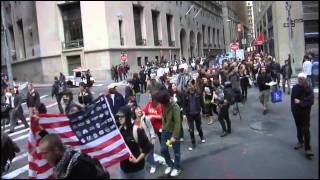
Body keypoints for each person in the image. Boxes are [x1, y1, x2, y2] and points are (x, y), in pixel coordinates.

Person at [38, 134, 109, 179]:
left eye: (45, 153)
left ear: (56, 150)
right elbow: (52, 143)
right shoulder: (62, 160)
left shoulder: (80, 165)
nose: (43, 157)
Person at [155, 89, 181, 177]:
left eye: (161, 102)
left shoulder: (175, 107)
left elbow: (178, 123)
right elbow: (163, 116)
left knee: (176, 151)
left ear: (165, 101)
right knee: (163, 149)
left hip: (173, 132)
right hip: (165, 131)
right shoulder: (162, 104)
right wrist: (163, 126)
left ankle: (177, 167)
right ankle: (170, 164)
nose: (160, 104)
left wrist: (174, 136)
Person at [117, 106, 148, 179]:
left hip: (137, 170)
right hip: (123, 169)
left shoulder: (137, 130)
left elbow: (147, 148)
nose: (120, 118)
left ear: (127, 116)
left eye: (122, 116)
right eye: (119, 116)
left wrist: (137, 160)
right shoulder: (120, 129)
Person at [291, 73, 314, 158]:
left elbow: (311, 101)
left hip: (305, 112)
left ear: (305, 79)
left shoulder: (308, 88)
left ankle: (308, 148)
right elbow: (292, 100)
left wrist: (301, 102)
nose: (300, 80)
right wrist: (293, 111)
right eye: (299, 78)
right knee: (299, 128)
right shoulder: (295, 88)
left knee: (306, 129)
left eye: (302, 79)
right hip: (296, 112)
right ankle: (300, 142)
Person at [132, 106, 158, 174]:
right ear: (134, 112)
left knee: (149, 155)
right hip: (140, 143)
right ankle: (151, 161)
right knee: (145, 155)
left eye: (140, 109)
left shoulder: (146, 119)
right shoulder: (133, 121)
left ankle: (153, 165)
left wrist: (153, 138)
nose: (139, 110)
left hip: (149, 141)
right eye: (137, 109)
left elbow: (151, 128)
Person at [183, 79, 205, 151]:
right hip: (189, 115)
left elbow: (202, 102)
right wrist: (185, 114)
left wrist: (203, 110)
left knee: (199, 127)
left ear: (193, 85)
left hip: (197, 113)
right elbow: (185, 105)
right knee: (191, 129)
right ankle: (193, 142)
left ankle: (201, 136)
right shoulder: (186, 94)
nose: (189, 87)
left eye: (190, 85)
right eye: (188, 86)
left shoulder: (198, 93)